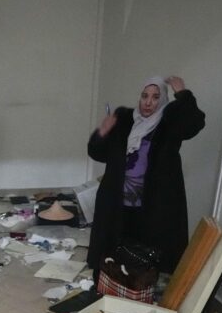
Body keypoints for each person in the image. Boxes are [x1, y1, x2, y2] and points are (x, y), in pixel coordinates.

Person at [86, 75, 205, 277]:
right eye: (144, 96)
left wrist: (182, 94)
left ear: (163, 100)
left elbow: (193, 124)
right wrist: (101, 133)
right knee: (113, 251)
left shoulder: (170, 123)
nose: (148, 102)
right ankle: (113, 283)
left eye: (155, 97)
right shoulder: (124, 120)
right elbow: (97, 153)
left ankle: (141, 288)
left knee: (146, 256)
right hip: (117, 202)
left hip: (153, 205)